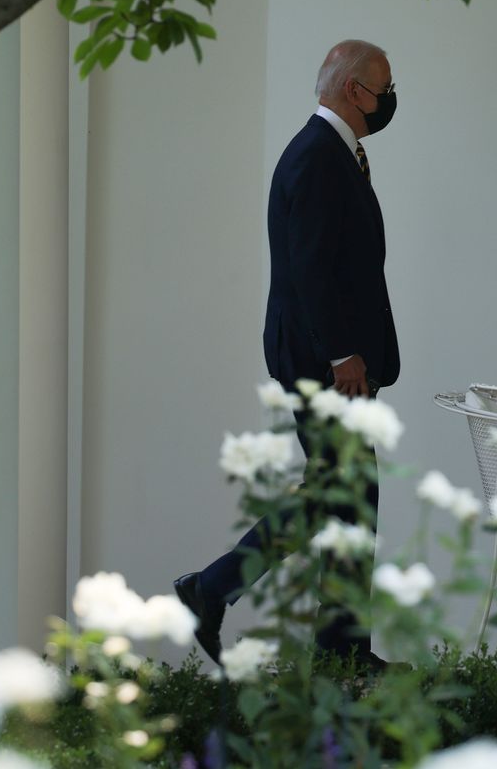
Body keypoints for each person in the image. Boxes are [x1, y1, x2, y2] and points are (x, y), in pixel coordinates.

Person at [174, 39, 401, 668]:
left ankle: (340, 647)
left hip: (330, 360)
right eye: (384, 88)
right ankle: (213, 589)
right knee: (340, 491)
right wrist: (343, 355)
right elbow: (310, 269)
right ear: (355, 90)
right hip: (323, 362)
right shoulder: (317, 156)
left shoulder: (333, 153)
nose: (389, 100)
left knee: (347, 495)